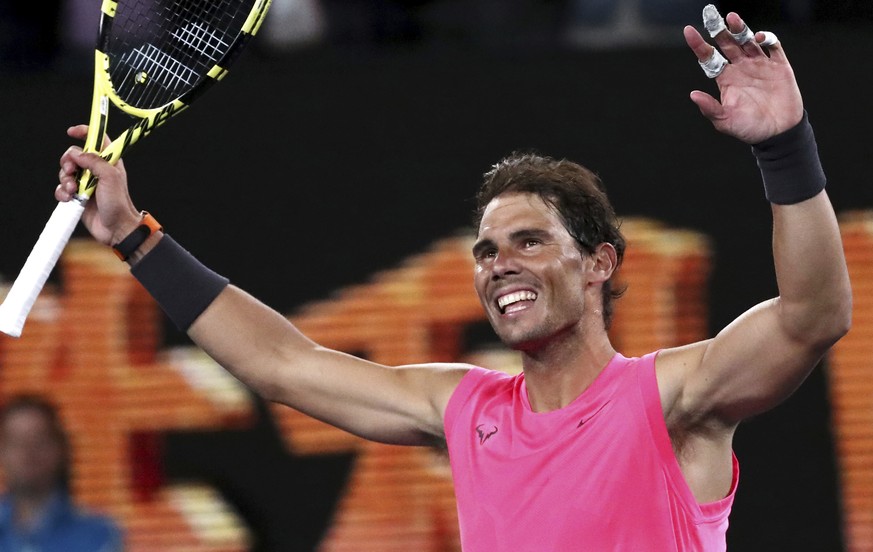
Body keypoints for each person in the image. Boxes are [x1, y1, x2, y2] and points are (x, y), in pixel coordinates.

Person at [53, 7, 851, 551]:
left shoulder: (674, 399)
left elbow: (811, 317)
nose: (498, 263)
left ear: (598, 262)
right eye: (486, 248)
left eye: (529, 241)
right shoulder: (465, 410)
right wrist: (132, 238)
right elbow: (281, 366)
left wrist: (783, 148)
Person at [0, 394, 123, 552]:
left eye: (38, 440)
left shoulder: (97, 536)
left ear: (60, 449)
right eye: (16, 442)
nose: (27, 452)